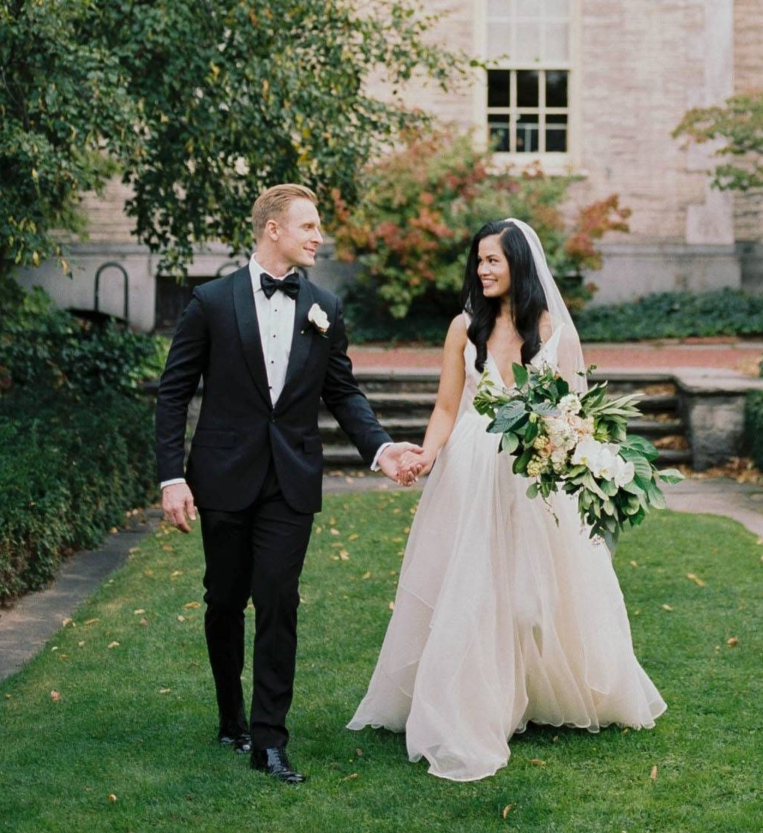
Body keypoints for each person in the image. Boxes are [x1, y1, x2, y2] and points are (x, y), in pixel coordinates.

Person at [348, 219, 666, 781]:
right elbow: (447, 408)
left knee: (537, 592)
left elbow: (575, 413)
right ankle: (471, 700)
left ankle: (538, 690)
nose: (483, 270)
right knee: (472, 585)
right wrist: (425, 455)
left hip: (532, 476)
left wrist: (578, 458)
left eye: (493, 260)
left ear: (519, 263)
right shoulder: (463, 327)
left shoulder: (555, 333)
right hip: (470, 473)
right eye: (479, 261)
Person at [155, 184, 421, 784]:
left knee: (279, 601)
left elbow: (342, 392)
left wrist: (381, 449)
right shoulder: (212, 302)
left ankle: (269, 740)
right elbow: (173, 394)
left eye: (318, 226)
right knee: (224, 601)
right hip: (222, 477)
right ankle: (230, 716)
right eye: (307, 225)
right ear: (272, 229)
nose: (317, 236)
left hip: (290, 482)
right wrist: (173, 476)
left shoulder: (324, 306)